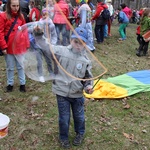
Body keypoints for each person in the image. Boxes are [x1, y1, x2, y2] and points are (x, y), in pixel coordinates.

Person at [33, 26, 94, 148]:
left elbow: (87, 78)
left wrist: (88, 87)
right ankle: (63, 137)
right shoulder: (61, 52)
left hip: (77, 94)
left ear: (85, 44)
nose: (78, 45)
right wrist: (39, 34)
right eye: (75, 41)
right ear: (71, 40)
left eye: (81, 43)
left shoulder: (85, 60)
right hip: (62, 93)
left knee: (79, 117)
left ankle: (80, 133)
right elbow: (46, 46)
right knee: (64, 118)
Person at [0, 0, 29, 92]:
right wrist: (3, 46)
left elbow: (25, 31)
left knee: (21, 66)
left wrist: (27, 43)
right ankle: (10, 83)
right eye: (13, 6)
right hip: (8, 46)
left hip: (20, 46)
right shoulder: (3, 16)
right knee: (10, 66)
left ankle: (22, 84)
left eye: (17, 6)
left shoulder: (21, 16)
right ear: (9, 5)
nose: (16, 8)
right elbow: (0, 32)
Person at [30, 8, 57, 82]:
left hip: (47, 45)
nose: (45, 16)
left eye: (46, 14)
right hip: (38, 45)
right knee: (39, 61)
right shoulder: (38, 23)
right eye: (43, 14)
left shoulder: (51, 25)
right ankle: (40, 75)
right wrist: (35, 29)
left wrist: (52, 44)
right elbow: (31, 31)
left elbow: (54, 35)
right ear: (42, 15)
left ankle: (51, 73)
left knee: (49, 60)